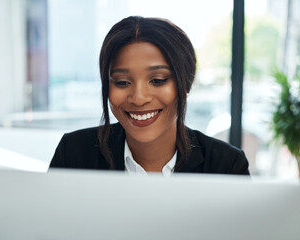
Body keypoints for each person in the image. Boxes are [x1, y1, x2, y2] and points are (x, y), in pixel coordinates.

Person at [49, 16, 250, 176]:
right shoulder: (73, 154)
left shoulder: (226, 165)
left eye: (158, 80)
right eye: (122, 82)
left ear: (185, 83)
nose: (138, 98)